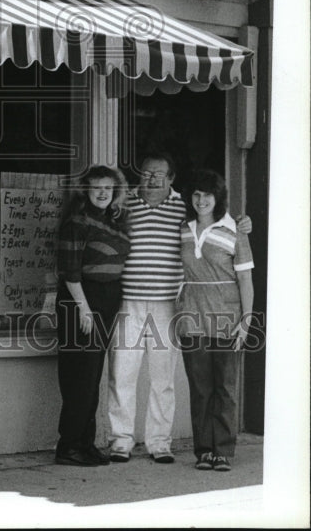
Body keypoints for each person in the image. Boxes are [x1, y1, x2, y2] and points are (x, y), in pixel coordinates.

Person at [107, 153, 251, 464]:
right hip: (129, 301)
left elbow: (214, 215)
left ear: (172, 179)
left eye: (159, 173)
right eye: (146, 173)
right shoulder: (125, 205)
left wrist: (242, 221)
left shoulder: (182, 208)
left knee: (163, 378)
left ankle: (159, 442)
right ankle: (120, 440)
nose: (151, 178)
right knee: (123, 372)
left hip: (169, 304)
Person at [176, 169, 254, 472]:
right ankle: (204, 450)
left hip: (227, 314)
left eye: (207, 194)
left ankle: (223, 450)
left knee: (225, 386)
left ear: (218, 197)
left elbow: (245, 279)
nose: (201, 200)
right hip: (192, 313)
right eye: (196, 194)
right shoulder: (184, 227)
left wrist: (246, 322)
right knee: (200, 387)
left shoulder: (235, 229)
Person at [54, 165, 131, 467]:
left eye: (108, 188)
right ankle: (69, 445)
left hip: (107, 300)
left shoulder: (112, 220)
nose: (102, 192)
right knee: (79, 378)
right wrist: (84, 310)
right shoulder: (76, 222)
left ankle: (85, 444)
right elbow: (70, 272)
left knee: (92, 376)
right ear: (86, 190)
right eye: (97, 187)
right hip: (81, 301)